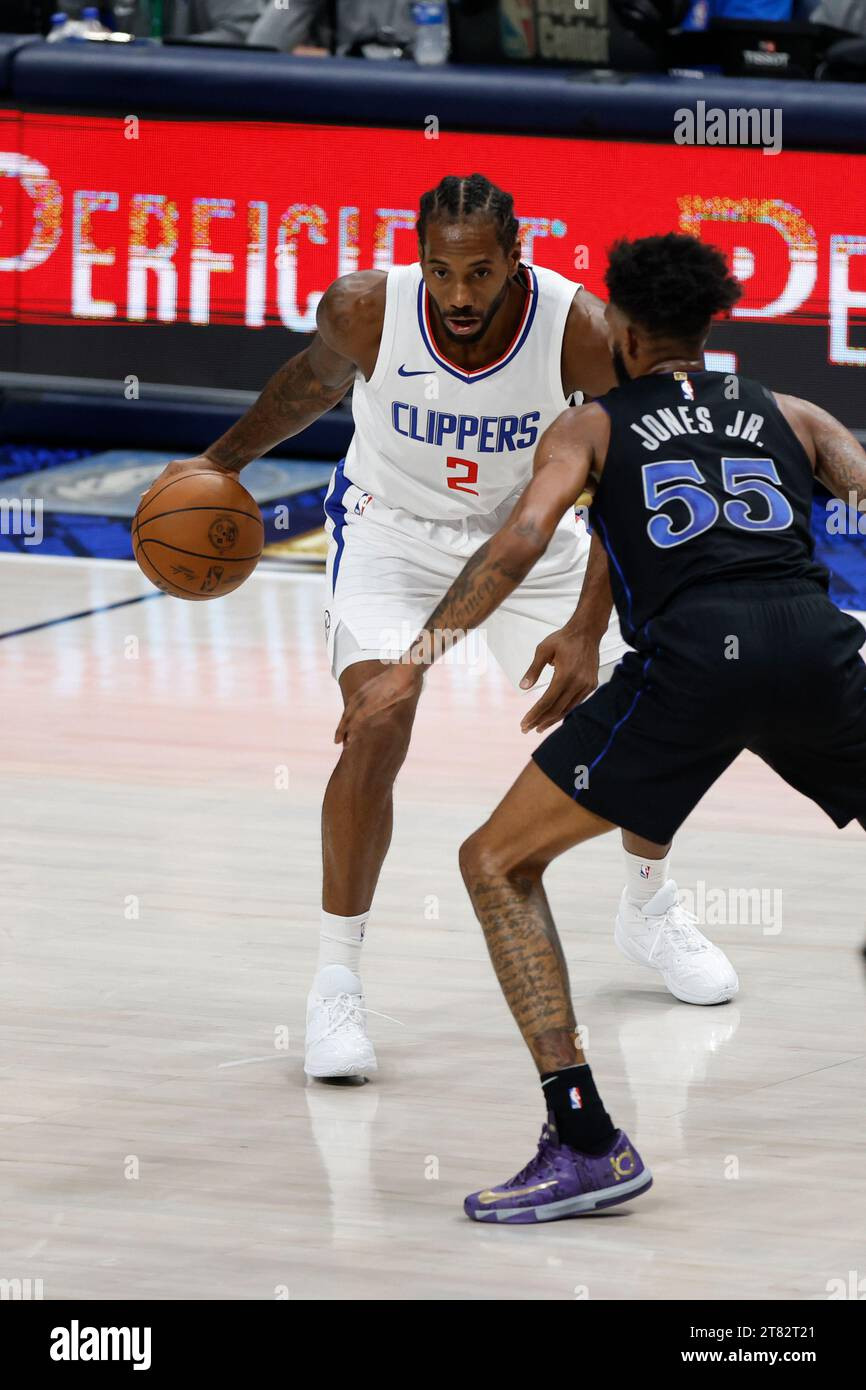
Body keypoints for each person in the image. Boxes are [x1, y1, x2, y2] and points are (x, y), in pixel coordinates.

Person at [147, 178, 737, 1086]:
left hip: (531, 543)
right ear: (417, 257)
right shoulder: (363, 310)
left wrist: (588, 627)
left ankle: (649, 907)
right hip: (392, 535)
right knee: (377, 722)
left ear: (516, 257)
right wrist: (215, 465)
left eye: (479, 272)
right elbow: (307, 387)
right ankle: (336, 981)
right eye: (440, 270)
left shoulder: (577, 328)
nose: (458, 294)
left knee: (658, 700)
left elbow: (634, 471)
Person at [336, 232, 866, 1223]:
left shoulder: (588, 427)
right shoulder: (792, 414)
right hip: (814, 648)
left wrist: (412, 664)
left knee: (495, 863)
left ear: (617, 329)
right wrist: (587, 626)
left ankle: (583, 1139)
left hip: (695, 666)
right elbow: (859, 486)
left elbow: (524, 535)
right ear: (710, 326)